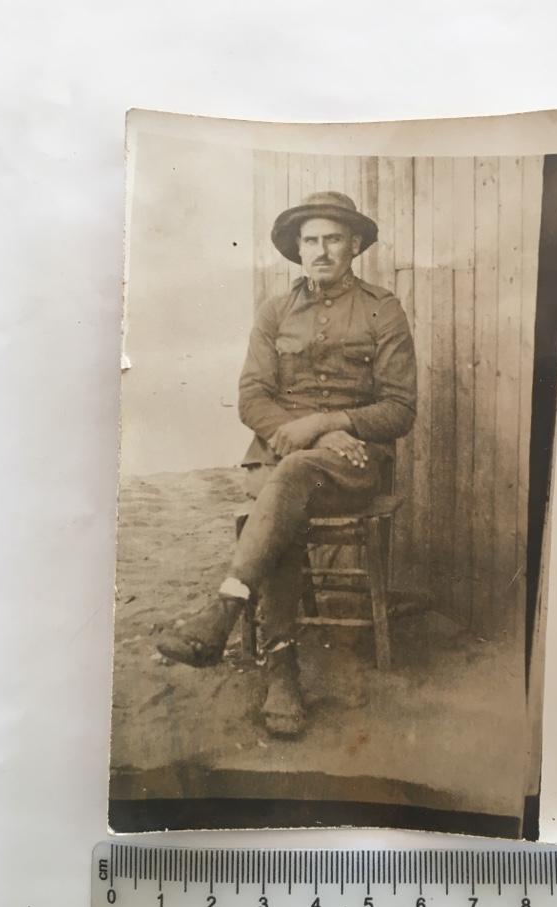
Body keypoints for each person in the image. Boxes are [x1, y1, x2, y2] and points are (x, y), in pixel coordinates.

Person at [159, 191, 417, 737]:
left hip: (349, 466)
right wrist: (291, 434)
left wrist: (328, 425)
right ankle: (282, 674)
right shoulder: (274, 312)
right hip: (282, 457)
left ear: (354, 245)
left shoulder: (382, 308)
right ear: (297, 249)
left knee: (286, 486)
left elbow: (399, 409)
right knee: (287, 495)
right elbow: (252, 396)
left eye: (332, 239)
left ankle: (230, 613)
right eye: (310, 241)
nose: (321, 251)